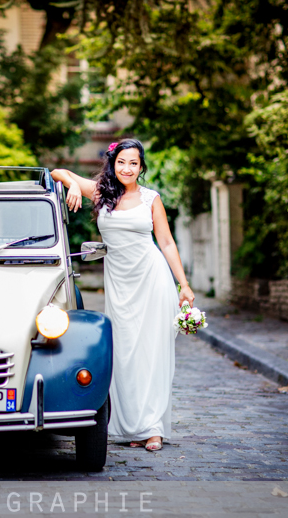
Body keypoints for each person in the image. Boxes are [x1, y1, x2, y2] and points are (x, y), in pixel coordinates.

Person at [51, 139, 194, 452]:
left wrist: (183, 284)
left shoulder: (151, 199)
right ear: (112, 164)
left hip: (152, 280)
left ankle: (153, 428)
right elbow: (57, 171)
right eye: (122, 162)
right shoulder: (102, 193)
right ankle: (132, 426)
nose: (127, 168)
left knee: (152, 354)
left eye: (134, 163)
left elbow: (167, 243)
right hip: (119, 285)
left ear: (141, 167)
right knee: (125, 355)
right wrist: (73, 185)